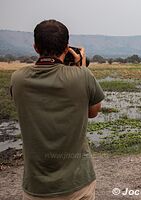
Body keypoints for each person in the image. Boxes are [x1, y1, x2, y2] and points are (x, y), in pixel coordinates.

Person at [10, 19, 105, 200]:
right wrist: (79, 67)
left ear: (35, 47)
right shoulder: (82, 76)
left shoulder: (18, 79)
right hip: (77, 183)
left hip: (36, 186)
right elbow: (92, 112)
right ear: (66, 47)